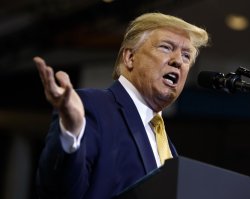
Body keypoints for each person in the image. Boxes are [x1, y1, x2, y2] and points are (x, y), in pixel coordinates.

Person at [34, 12, 208, 199]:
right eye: (166, 47)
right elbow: (58, 191)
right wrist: (71, 134)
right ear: (130, 57)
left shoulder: (168, 148)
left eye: (186, 56)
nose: (178, 61)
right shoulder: (93, 107)